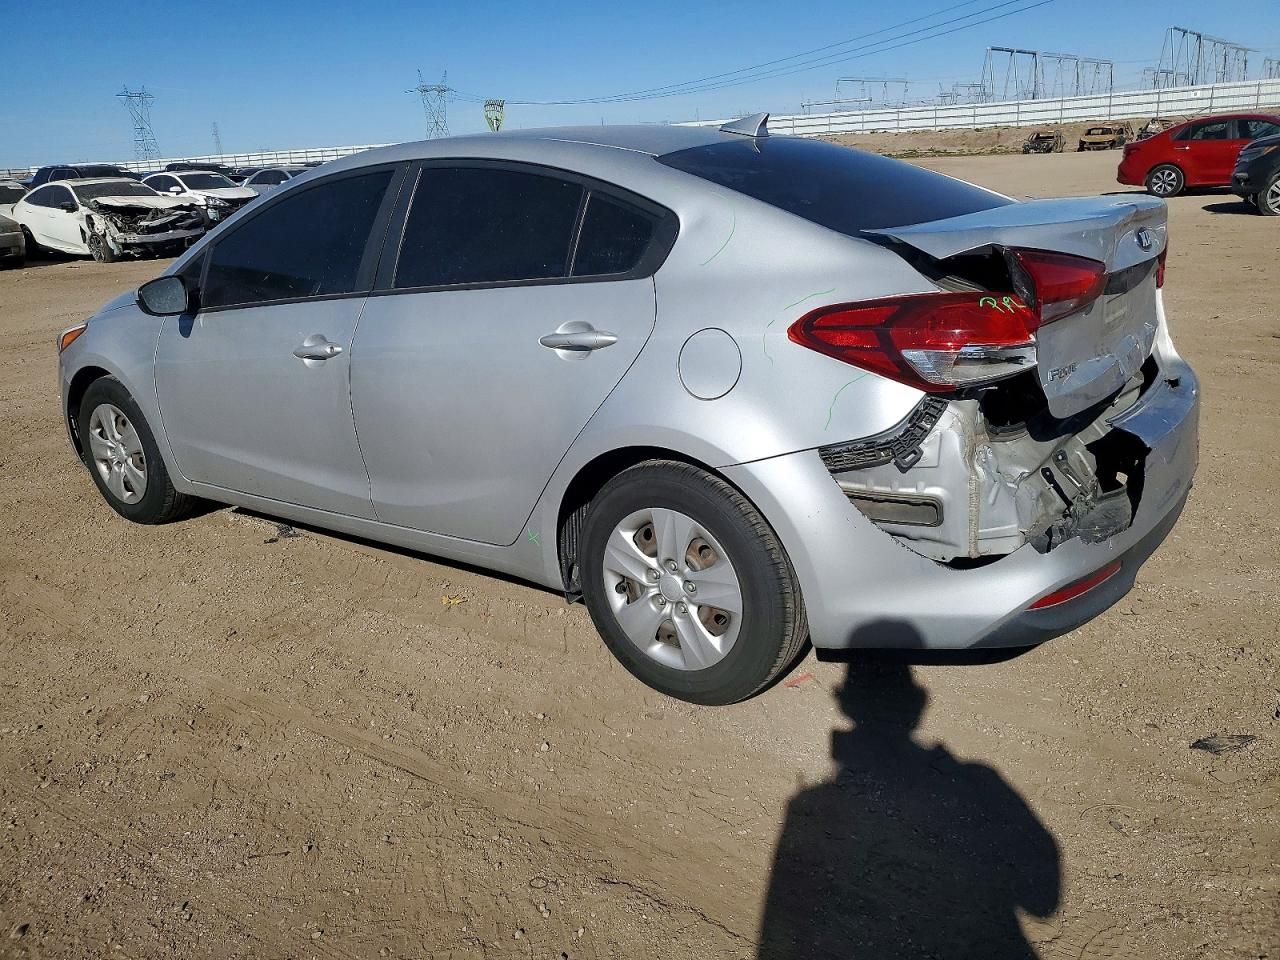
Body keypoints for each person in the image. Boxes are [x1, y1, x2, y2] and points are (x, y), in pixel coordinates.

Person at [757, 652, 1060, 959]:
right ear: (919, 703)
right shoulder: (977, 780)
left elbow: (780, 924)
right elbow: (1042, 900)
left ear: (842, 703)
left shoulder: (809, 805)